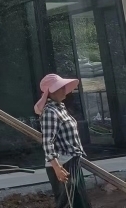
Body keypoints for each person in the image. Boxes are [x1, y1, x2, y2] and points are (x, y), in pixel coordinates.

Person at [35, 73, 92, 208]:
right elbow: (47, 142)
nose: (64, 90)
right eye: (60, 87)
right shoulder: (50, 112)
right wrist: (57, 168)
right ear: (51, 92)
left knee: (80, 202)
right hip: (63, 164)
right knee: (69, 203)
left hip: (71, 161)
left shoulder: (60, 108)